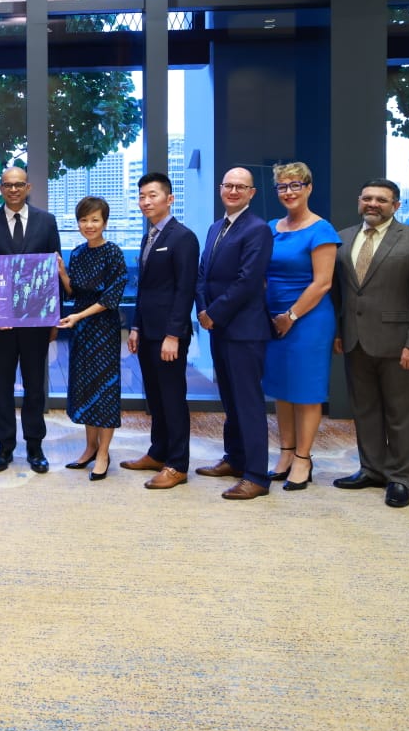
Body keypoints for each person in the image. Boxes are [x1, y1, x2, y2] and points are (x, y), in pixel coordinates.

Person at [332, 178, 409, 509]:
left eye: (382, 199)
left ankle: (400, 478)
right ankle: (372, 469)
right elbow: (341, 293)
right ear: (359, 201)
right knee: (365, 410)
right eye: (367, 198)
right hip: (355, 340)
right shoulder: (343, 238)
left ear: (396, 205)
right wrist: (339, 331)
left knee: (402, 414)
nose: (373, 204)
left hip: (399, 344)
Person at [0, 165, 62, 474]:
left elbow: (53, 271)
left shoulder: (46, 223)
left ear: (28, 187)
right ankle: (5, 446)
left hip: (36, 323)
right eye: (8, 184)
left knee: (36, 386)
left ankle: (35, 446)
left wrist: (53, 321)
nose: (13, 189)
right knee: (2, 386)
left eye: (18, 184)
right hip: (1, 325)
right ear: (1, 187)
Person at [195, 167, 275, 500]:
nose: (233, 191)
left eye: (240, 186)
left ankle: (256, 476)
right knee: (229, 400)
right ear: (220, 189)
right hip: (219, 328)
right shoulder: (216, 227)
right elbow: (203, 275)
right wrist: (203, 309)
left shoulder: (257, 230)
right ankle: (235, 459)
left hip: (243, 330)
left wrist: (214, 312)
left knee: (248, 403)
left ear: (252, 193)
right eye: (228, 185)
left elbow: (248, 280)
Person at [262, 162, 341, 492]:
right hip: (272, 319)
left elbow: (323, 283)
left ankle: (304, 459)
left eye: (296, 185)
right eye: (282, 186)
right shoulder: (270, 227)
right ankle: (285, 452)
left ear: (309, 188)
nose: (289, 191)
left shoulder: (321, 230)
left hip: (307, 320)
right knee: (282, 389)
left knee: (306, 392)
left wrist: (290, 316)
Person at [119, 173, 200, 491]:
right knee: (154, 396)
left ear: (169, 199)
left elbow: (185, 290)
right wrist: (135, 326)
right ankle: (158, 452)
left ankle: (177, 464)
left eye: (152, 195)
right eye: (141, 196)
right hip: (148, 331)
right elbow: (145, 289)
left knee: (172, 398)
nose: (145, 201)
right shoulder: (148, 236)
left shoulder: (183, 237)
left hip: (169, 335)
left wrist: (173, 335)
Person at [56, 196, 128, 482]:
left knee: (105, 390)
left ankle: (103, 453)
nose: (89, 225)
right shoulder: (77, 253)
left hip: (103, 329)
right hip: (81, 330)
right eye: (84, 220)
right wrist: (62, 273)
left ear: (105, 222)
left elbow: (111, 297)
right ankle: (88, 447)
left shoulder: (113, 253)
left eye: (95, 219)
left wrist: (79, 316)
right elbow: (73, 292)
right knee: (85, 387)